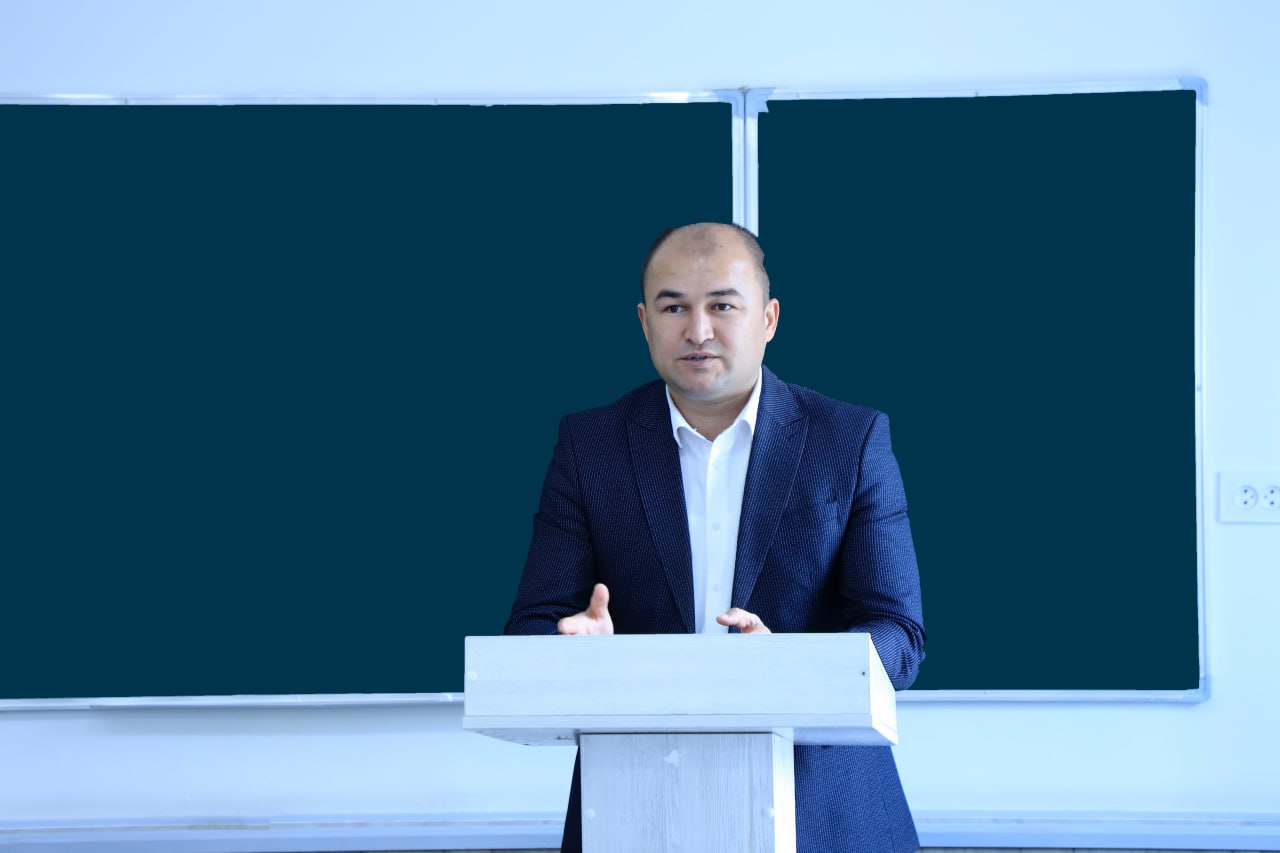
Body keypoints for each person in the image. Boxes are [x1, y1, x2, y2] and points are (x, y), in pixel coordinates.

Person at [505, 222, 926, 853]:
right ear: (645, 322)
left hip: (824, 811)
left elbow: (898, 632)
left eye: (722, 306)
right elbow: (534, 626)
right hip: (634, 807)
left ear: (769, 318)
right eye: (674, 308)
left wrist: (792, 669)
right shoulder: (590, 446)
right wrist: (574, 653)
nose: (698, 331)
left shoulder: (851, 439)